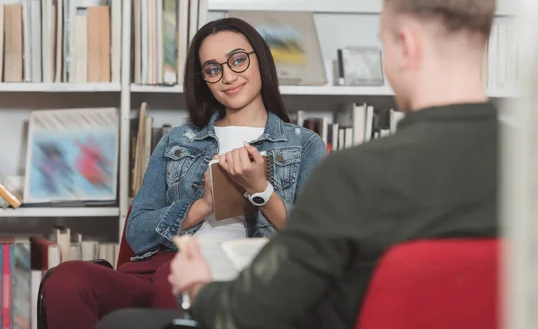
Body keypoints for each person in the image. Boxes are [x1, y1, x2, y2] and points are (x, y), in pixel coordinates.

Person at [96, 0, 500, 329]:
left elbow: (254, 311)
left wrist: (200, 289)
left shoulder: (354, 174)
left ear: (406, 46)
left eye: (384, 43)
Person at [41, 17, 327, 329]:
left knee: (172, 280)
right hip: (162, 268)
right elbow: (137, 233)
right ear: (203, 79)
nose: (228, 76)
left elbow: (314, 241)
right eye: (213, 69)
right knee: (67, 280)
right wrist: (203, 205)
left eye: (239, 60)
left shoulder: (303, 144)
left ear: (261, 60)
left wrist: (261, 190)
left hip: (247, 276)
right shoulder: (178, 140)